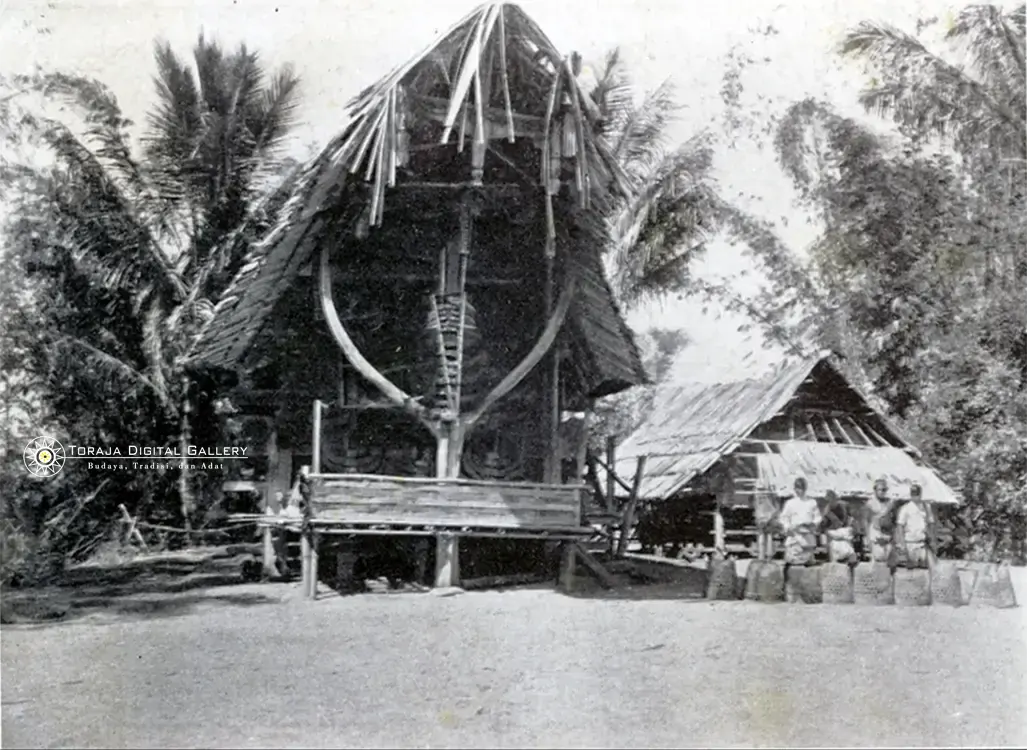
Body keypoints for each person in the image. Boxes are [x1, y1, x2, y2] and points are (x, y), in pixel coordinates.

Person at [775, 475, 823, 568]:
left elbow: (817, 517)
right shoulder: (790, 503)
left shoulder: (812, 502)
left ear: (805, 489)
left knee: (808, 564)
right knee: (793, 563)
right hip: (794, 537)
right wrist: (788, 527)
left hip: (807, 537)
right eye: (797, 488)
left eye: (800, 488)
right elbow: (783, 518)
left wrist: (812, 524)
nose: (798, 491)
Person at [895, 483, 930, 568]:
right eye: (913, 494)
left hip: (922, 543)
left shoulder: (926, 507)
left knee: (924, 567)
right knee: (911, 568)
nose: (915, 496)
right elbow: (900, 526)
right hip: (910, 543)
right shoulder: (905, 508)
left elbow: (930, 523)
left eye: (917, 494)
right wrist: (902, 543)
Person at [864, 477, 898, 563]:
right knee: (877, 559)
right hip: (876, 535)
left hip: (887, 535)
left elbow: (894, 520)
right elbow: (866, 521)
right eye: (880, 490)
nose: (882, 492)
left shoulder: (890, 503)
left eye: (884, 490)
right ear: (875, 490)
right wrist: (868, 538)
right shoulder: (870, 503)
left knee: (888, 561)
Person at [822, 490, 858, 565]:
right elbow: (824, 527)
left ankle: (851, 558)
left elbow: (851, 519)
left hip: (845, 531)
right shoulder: (827, 511)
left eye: (833, 500)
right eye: (829, 501)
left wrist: (851, 528)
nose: (832, 502)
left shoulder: (844, 505)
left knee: (847, 545)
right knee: (834, 545)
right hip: (834, 534)